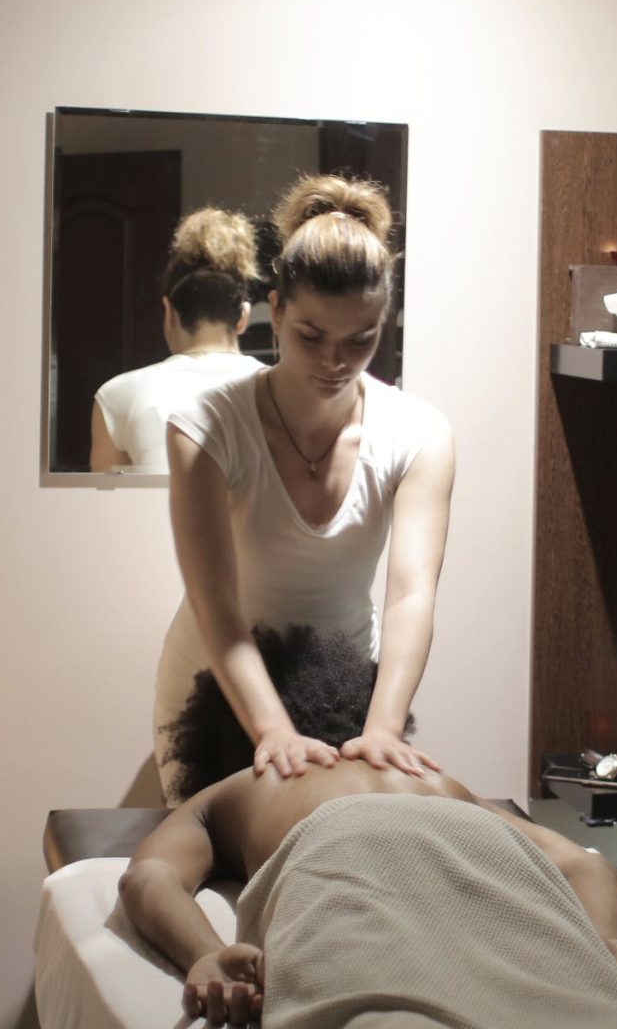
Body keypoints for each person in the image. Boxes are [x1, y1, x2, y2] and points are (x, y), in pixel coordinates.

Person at [121, 626, 617, 1026]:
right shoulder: (429, 779)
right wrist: (609, 946)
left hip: (344, 861)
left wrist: (204, 953)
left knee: (402, 1027)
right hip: (478, 862)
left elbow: (147, 877)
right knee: (560, 1015)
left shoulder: (245, 783)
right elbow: (590, 864)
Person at [149, 174, 453, 801]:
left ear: (384, 321)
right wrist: (272, 731)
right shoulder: (205, 427)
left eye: (360, 340)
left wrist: (384, 727)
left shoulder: (420, 432)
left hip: (342, 683)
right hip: (217, 687)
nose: (334, 362)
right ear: (276, 310)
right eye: (310, 336)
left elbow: (410, 595)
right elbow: (215, 601)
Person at [89, 207, 264, 474]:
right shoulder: (281, 392)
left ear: (169, 312)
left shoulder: (118, 395)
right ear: (243, 316)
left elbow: (104, 496)